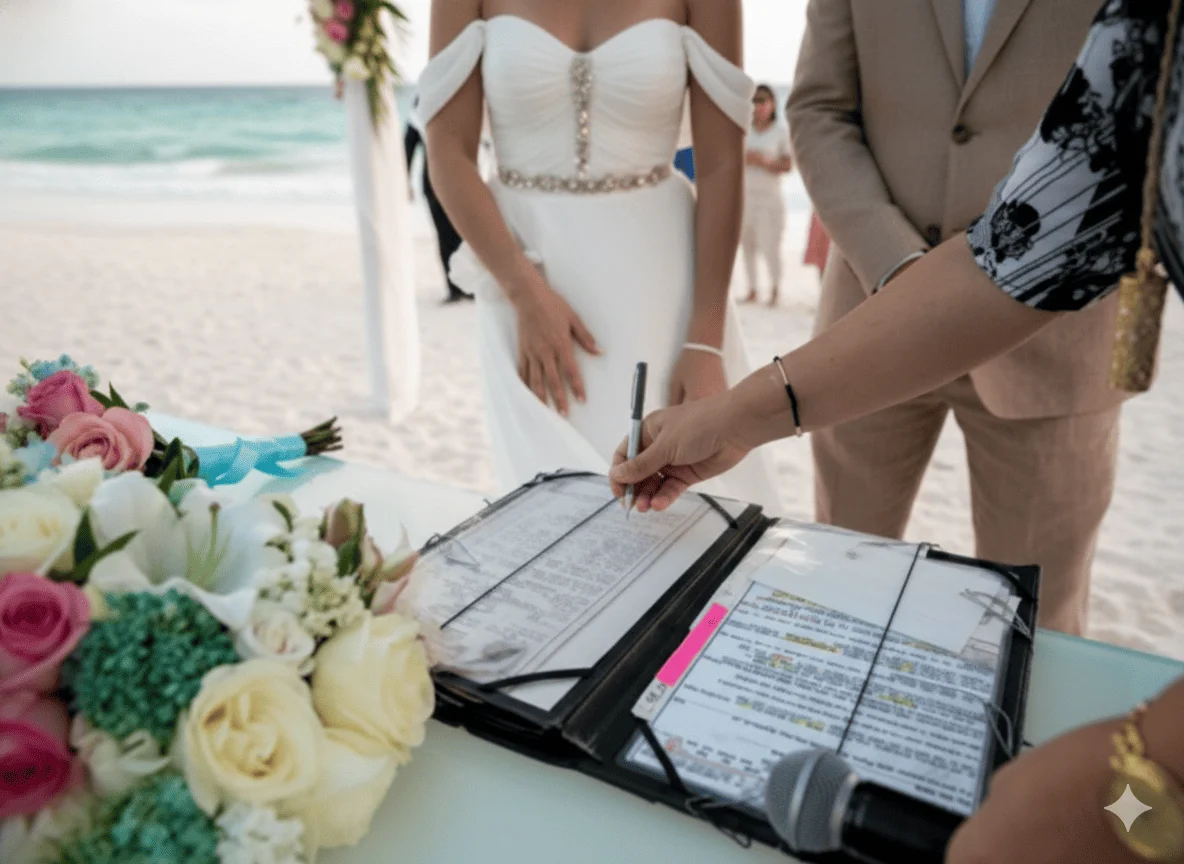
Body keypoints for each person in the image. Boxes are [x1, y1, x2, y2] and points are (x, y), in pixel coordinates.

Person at [610, 2, 1184, 859]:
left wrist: (1140, 790)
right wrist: (736, 417)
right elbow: (1018, 252)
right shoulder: (1148, 33)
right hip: (885, 316)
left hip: (1064, 362)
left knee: (1060, 679)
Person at [787, 0, 1121, 635]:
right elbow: (818, 108)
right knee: (838, 589)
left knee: (1039, 625)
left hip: (1056, 331)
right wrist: (902, 275)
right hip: (872, 311)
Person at [419, 0, 779, 509]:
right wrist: (526, 293)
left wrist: (707, 340)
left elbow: (721, 165)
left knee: (677, 501)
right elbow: (447, 152)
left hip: (663, 286)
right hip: (518, 271)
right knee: (545, 506)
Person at [404, 95, 473, 304]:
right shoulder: (448, 98)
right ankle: (457, 287)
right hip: (443, 181)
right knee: (452, 235)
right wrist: (403, 181)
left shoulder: (425, 102)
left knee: (455, 235)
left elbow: (407, 145)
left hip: (451, 179)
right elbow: (408, 145)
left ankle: (461, 286)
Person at [739, 84, 792, 306]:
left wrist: (765, 161)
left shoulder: (780, 132)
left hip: (770, 199)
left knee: (770, 246)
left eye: (763, 101)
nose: (758, 106)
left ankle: (775, 288)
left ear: (772, 104)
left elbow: (788, 165)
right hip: (745, 197)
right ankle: (752, 289)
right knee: (747, 245)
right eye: (754, 100)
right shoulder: (743, 130)